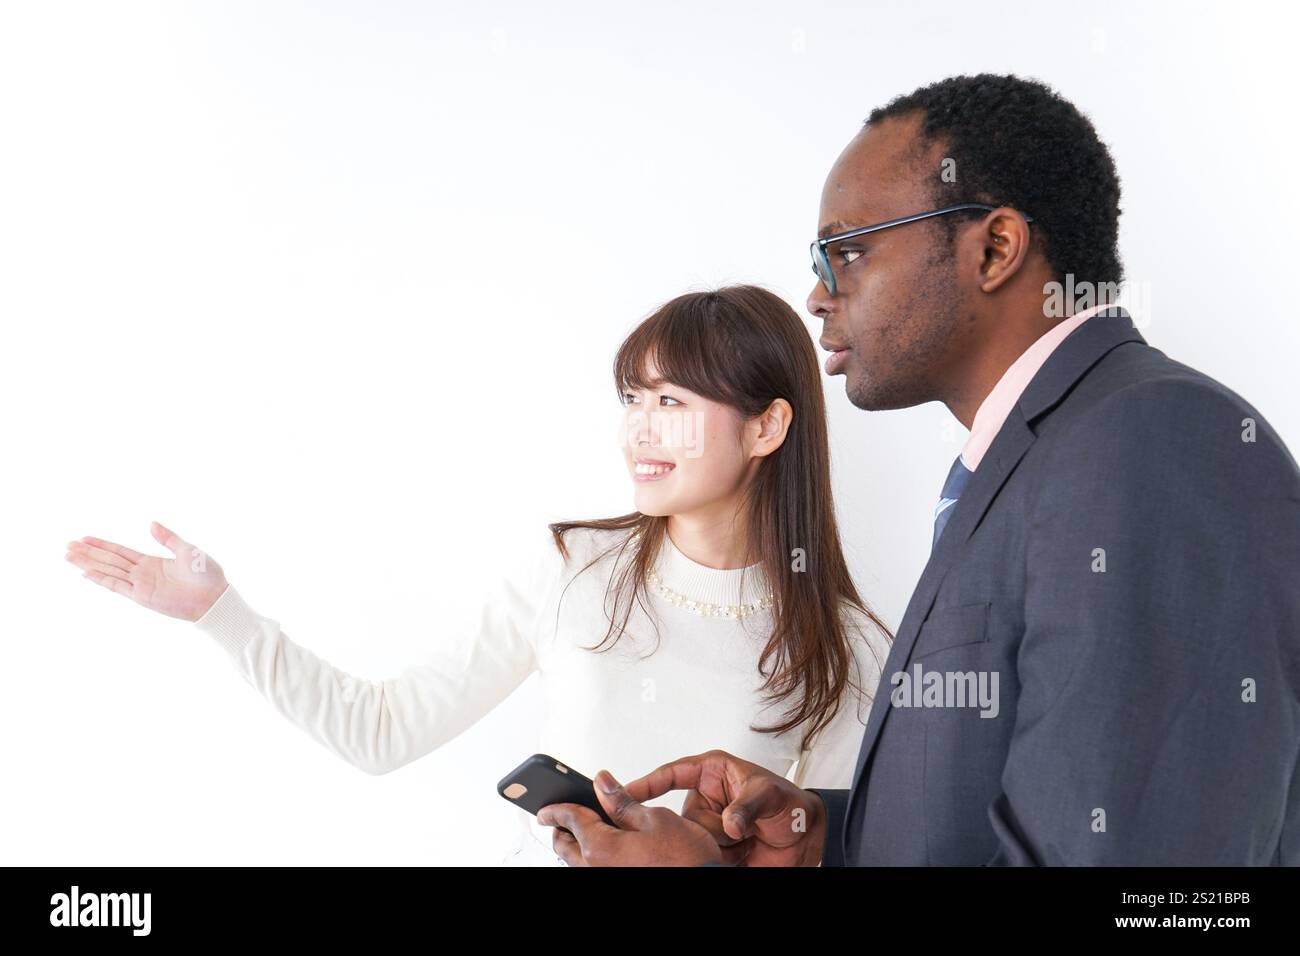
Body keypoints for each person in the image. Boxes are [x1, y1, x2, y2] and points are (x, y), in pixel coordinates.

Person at [535, 73, 1300, 866]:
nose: (817, 295)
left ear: (994, 250)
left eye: (847, 252)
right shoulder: (1025, 462)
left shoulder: (1150, 441)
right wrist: (823, 837)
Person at [63, 284, 893, 866]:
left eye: (671, 403)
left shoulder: (848, 649)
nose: (638, 431)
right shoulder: (574, 568)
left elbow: (823, 853)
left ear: (766, 427)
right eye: (632, 399)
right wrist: (220, 614)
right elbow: (382, 731)